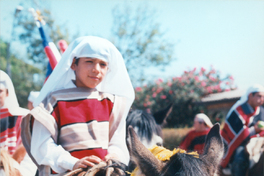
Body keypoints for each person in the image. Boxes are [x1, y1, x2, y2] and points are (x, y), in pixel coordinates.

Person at [21, 36, 135, 175]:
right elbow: (42, 145)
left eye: (103, 64)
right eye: (89, 62)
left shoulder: (113, 103)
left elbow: (117, 142)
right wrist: (72, 162)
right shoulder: (53, 101)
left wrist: (115, 155)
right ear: (74, 64)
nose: (96, 69)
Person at [221, 84, 264, 176]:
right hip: (240, 143)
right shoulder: (238, 110)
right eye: (259, 96)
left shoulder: (261, 110)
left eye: (263, 96)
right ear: (250, 96)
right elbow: (237, 134)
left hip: (259, 139)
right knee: (240, 158)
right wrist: (254, 130)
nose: (262, 99)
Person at [0, 70, 32, 175]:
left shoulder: (23, 117)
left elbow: (28, 151)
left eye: (0, 91)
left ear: (7, 93)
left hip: (18, 170)